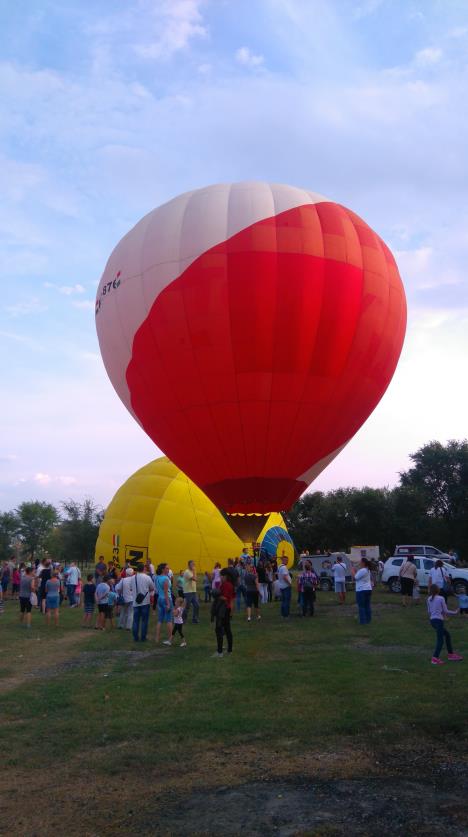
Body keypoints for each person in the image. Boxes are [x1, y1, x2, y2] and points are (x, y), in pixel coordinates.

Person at [427, 584, 463, 665]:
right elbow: (446, 610)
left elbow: (429, 611)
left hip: (433, 621)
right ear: (438, 590)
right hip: (438, 621)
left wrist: (440, 616)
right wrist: (455, 612)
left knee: (447, 635)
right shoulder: (441, 598)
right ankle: (435, 658)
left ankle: (451, 654)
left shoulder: (429, 599)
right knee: (440, 640)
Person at [132, 564, 155, 642]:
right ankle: (143, 637)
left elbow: (131, 588)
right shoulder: (147, 577)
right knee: (144, 621)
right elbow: (152, 588)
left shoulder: (132, 578)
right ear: (143, 569)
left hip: (135, 602)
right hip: (145, 602)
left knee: (135, 621)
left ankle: (135, 637)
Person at [210, 589, 233, 658]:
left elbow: (221, 614)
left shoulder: (222, 602)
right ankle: (228, 650)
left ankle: (220, 652)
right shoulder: (217, 601)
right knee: (226, 633)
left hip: (223, 620)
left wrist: (218, 625)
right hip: (222, 619)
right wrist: (212, 618)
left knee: (222, 634)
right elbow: (213, 610)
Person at [155, 563, 173, 645]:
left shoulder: (157, 577)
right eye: (166, 568)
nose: (168, 569)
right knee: (169, 619)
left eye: (168, 568)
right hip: (166, 599)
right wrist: (168, 604)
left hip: (160, 599)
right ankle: (170, 639)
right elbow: (166, 592)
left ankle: (157, 638)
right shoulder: (165, 578)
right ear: (162, 569)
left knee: (160, 620)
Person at [354, 557, 373, 625]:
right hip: (368, 589)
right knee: (367, 605)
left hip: (361, 590)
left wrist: (353, 571)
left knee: (361, 606)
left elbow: (355, 577)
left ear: (363, 563)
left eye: (360, 562)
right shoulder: (367, 570)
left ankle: (363, 621)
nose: (359, 563)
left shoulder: (363, 570)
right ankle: (368, 619)